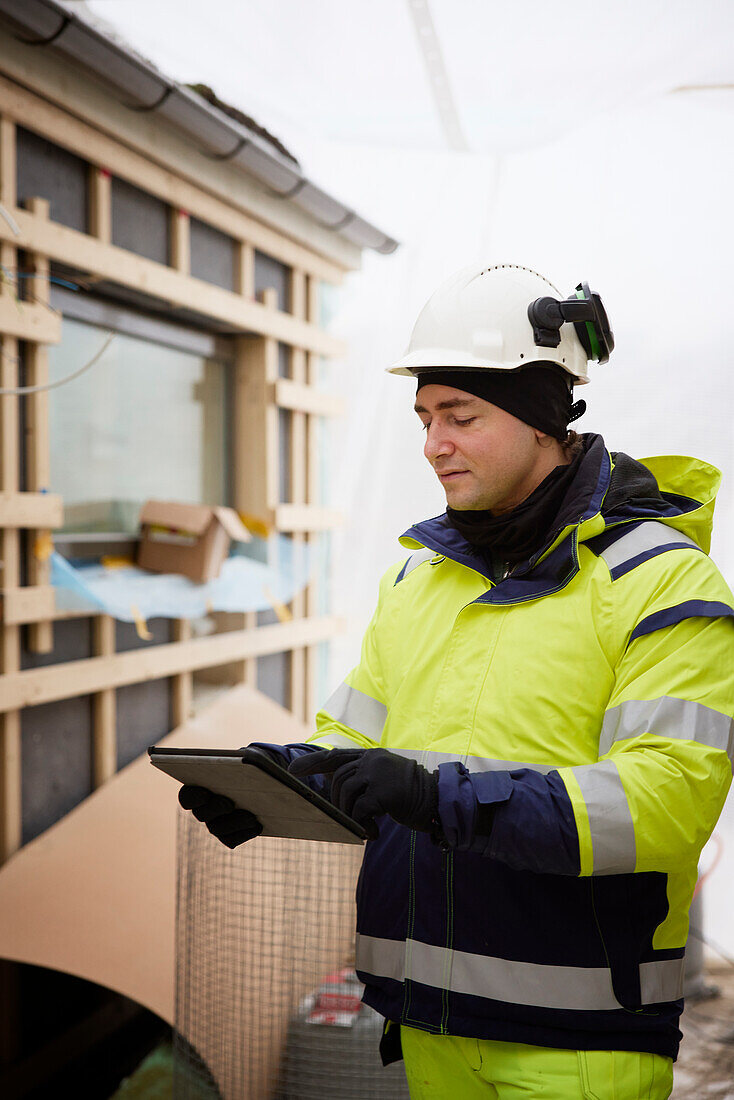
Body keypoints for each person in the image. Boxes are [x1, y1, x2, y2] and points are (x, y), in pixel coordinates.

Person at [180, 263, 734, 1099]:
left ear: (543, 418)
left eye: (461, 416)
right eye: (424, 417)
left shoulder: (663, 582)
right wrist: (283, 782)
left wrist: (439, 797)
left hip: (575, 1048)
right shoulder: (419, 581)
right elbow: (359, 743)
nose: (434, 444)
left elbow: (662, 802)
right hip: (428, 1025)